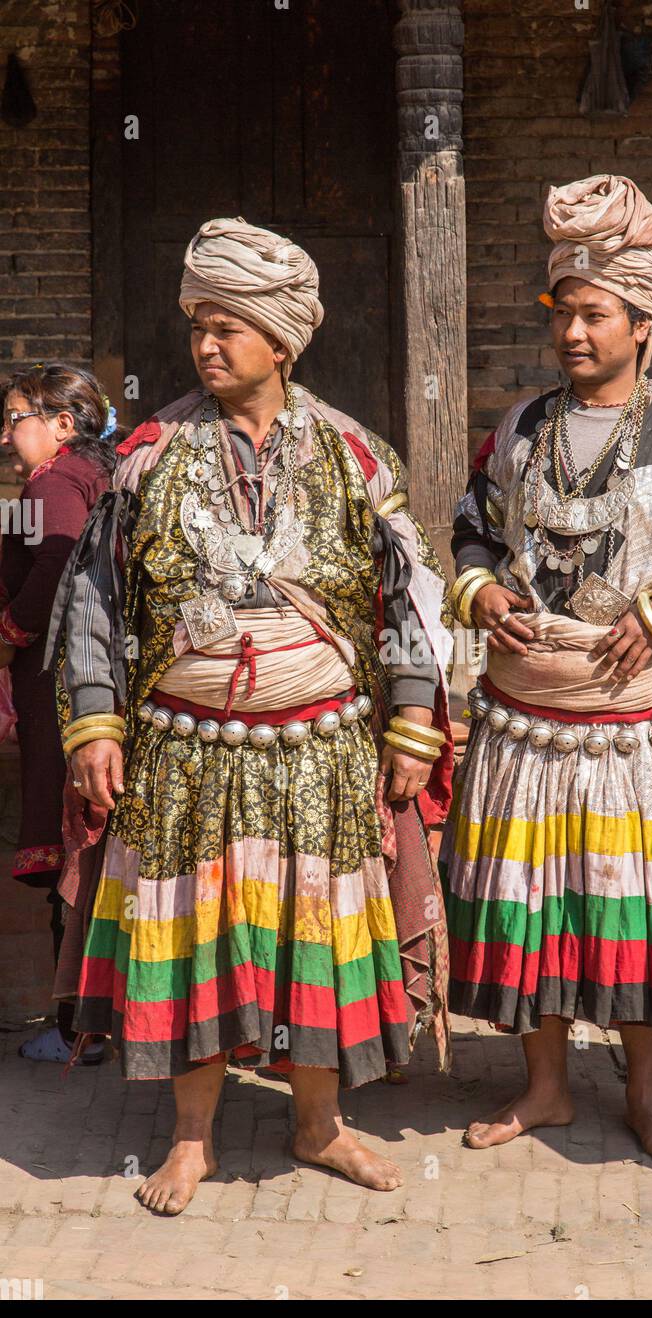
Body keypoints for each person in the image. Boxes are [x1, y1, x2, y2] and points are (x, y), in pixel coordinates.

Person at [47, 217, 453, 1213]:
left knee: (308, 938)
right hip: (184, 753)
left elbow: (409, 593)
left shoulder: (354, 455)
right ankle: (191, 1140)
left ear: (283, 339)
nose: (207, 344)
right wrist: (95, 720)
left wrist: (409, 716)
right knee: (189, 939)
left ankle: (318, 1127)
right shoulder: (147, 454)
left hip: (317, 750)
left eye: (229, 326)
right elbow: (95, 595)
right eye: (199, 325)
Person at [439, 174, 652, 1165]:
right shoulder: (521, 428)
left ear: (639, 319)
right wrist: (482, 594)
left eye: (593, 314)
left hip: (641, 728)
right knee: (536, 909)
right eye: (563, 313)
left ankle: (643, 1095)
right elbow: (464, 531)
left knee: (633, 913)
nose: (573, 332)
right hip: (525, 723)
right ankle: (541, 1088)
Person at [0, 365, 121, 1064]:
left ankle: (80, 1027)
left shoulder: (55, 483)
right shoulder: (90, 476)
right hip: (91, 683)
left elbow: (57, 564)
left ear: (63, 425)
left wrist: (9, 633)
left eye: (17, 417)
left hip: (61, 687)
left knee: (71, 836)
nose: (7, 435)